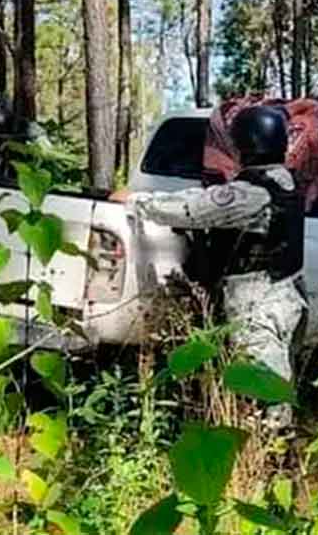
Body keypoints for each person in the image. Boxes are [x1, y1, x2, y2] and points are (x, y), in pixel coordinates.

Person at [119, 106, 306, 429]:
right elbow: (209, 197)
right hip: (284, 295)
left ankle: (268, 463)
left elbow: (194, 208)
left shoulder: (254, 192)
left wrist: (137, 201)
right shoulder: (283, 184)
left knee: (263, 390)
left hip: (255, 301)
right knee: (273, 381)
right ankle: (267, 454)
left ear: (246, 143)